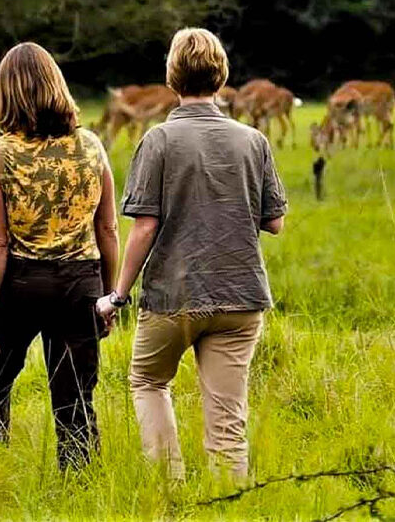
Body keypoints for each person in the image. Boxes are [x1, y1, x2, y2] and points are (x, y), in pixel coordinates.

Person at [96, 27, 287, 481]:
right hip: (240, 297)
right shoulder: (253, 141)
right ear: (222, 77)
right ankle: (229, 505)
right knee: (228, 422)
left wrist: (117, 296)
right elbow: (274, 222)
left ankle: (170, 489)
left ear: (172, 77)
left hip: (173, 296)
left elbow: (144, 226)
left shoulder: (159, 141)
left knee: (147, 381)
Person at [0, 42, 119, 469]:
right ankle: (80, 489)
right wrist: (109, 297)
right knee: (75, 398)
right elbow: (106, 228)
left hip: (22, 282)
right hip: (81, 283)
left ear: (7, 94)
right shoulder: (92, 146)